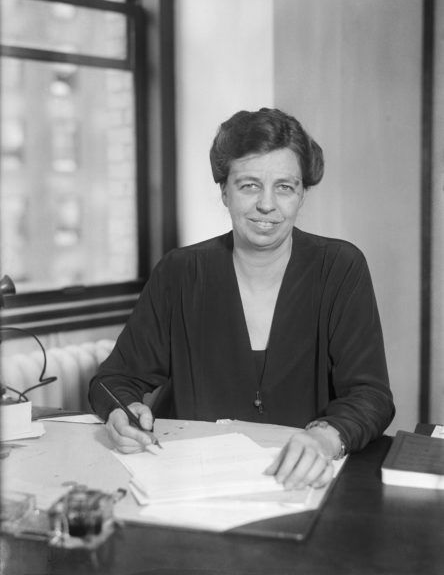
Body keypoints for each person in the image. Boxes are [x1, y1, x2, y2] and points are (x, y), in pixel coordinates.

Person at [89, 107, 395, 490]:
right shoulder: (180, 272)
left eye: (285, 186)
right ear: (224, 192)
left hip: (300, 483)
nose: (267, 205)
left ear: (302, 195)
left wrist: (325, 437)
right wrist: (121, 411)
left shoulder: (340, 268)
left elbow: (372, 395)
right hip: (189, 484)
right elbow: (112, 379)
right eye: (250, 185)